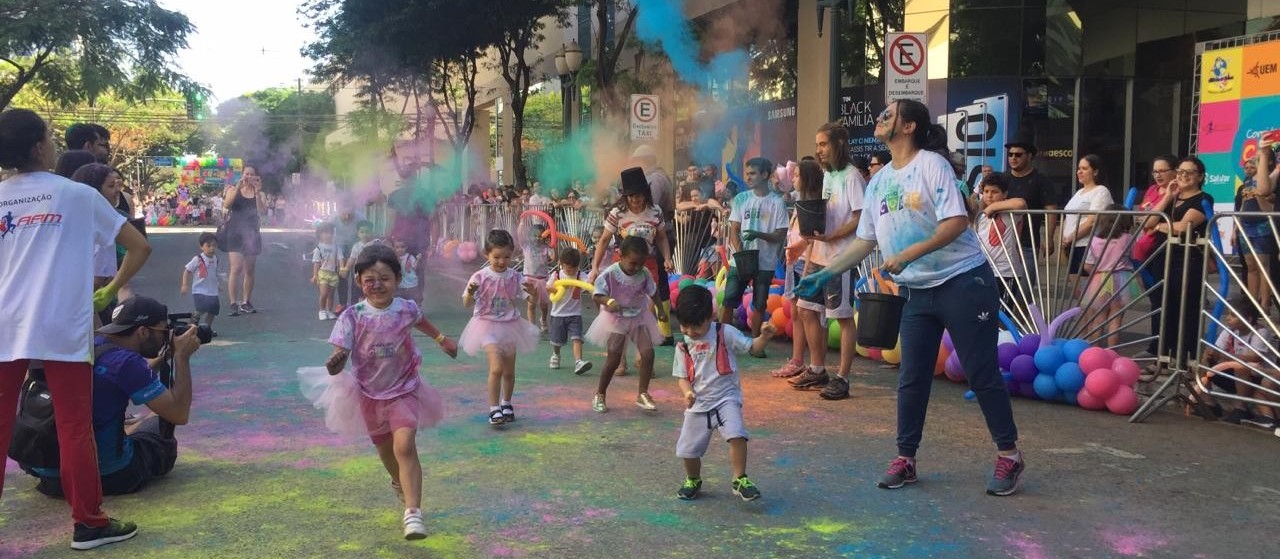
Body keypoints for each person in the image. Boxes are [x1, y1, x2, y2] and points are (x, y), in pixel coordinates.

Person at [797, 99, 1024, 496]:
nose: (879, 117)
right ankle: (906, 458)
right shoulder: (880, 180)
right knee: (912, 376)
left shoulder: (932, 165)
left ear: (909, 126)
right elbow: (866, 240)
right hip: (917, 291)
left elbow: (956, 222)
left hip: (963, 281)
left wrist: (907, 255)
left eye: (889, 114)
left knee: (981, 371)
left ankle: (1009, 453)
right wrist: (827, 273)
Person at [0, 108, 151, 549]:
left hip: (5, 323)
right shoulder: (78, 196)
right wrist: (110, 292)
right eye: (48, 136)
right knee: (74, 426)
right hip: (63, 323)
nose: (52, 143)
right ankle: (89, 523)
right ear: (37, 147)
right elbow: (139, 247)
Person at [301, 244, 456, 540]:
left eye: (385, 278)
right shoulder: (352, 316)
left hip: (405, 388)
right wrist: (335, 364)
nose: (377, 285)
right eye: (369, 279)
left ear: (398, 278)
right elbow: (339, 356)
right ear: (358, 281)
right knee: (386, 451)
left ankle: (413, 514)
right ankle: (399, 483)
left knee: (404, 446)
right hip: (369, 394)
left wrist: (441, 339)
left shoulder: (406, 308)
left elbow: (421, 321)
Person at [24, 296, 199, 496]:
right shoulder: (127, 362)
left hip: (48, 474)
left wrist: (164, 357)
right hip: (109, 476)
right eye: (163, 331)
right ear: (143, 332)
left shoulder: (92, 346)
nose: (165, 337)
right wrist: (181, 357)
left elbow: (123, 376)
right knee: (158, 423)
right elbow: (178, 414)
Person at [671, 285, 776, 502]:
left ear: (710, 317)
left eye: (696, 326)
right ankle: (693, 479)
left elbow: (752, 348)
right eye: (685, 326)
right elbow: (681, 376)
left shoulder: (724, 332)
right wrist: (687, 392)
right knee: (688, 450)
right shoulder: (683, 345)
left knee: (737, 434)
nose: (691, 332)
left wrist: (764, 338)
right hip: (698, 404)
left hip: (726, 398)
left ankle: (740, 479)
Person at [788, 122, 867, 401]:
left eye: (823, 144)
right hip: (819, 256)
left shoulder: (852, 176)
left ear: (839, 144)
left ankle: (842, 378)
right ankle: (817, 369)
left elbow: (860, 218)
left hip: (841, 258)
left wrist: (832, 236)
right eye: (817, 144)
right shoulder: (828, 176)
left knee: (842, 317)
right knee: (805, 309)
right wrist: (803, 244)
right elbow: (822, 218)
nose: (819, 150)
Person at [459, 230, 541, 426]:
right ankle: (494, 408)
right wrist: (469, 293)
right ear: (487, 254)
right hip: (486, 326)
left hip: (510, 326)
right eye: (496, 257)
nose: (502, 261)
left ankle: (507, 403)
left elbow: (531, 300)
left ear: (512, 254)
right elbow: (467, 304)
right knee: (496, 368)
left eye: (506, 257)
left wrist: (534, 293)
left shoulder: (515, 277)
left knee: (509, 372)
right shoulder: (480, 277)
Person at [591, 167, 677, 349]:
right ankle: (620, 355)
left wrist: (667, 258)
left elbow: (661, 237)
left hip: (648, 262)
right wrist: (595, 267)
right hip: (622, 264)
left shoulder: (655, 211)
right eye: (630, 196)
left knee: (648, 300)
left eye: (637, 196)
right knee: (619, 306)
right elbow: (604, 240)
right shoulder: (617, 213)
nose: (634, 200)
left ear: (645, 194)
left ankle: (642, 348)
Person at [1144, 156, 1214, 374]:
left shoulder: (1203, 198)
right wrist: (1167, 196)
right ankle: (1163, 358)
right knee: (1165, 308)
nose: (1184, 176)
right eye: (1181, 171)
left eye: (1189, 172)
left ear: (1200, 177)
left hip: (1187, 260)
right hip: (1164, 258)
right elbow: (1149, 222)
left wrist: (1161, 227)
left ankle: (1185, 359)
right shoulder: (1173, 198)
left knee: (1187, 309)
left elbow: (1184, 227)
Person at [587, 236, 667, 413]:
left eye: (641, 263)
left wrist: (661, 310)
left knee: (648, 353)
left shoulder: (644, 273)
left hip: (637, 317)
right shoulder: (610, 274)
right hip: (616, 319)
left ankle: (643, 393)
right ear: (621, 256)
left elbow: (653, 292)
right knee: (614, 359)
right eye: (633, 263)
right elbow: (597, 295)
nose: (637, 268)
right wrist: (608, 301)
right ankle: (600, 394)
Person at [722, 157, 789, 340]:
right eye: (747, 173)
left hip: (765, 262)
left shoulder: (777, 202)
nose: (748, 177)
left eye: (752, 173)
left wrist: (758, 234)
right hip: (740, 261)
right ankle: (722, 341)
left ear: (765, 175)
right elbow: (734, 229)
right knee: (729, 300)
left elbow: (780, 235)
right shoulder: (741, 198)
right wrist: (740, 253)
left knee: (759, 303)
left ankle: (755, 344)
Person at [773, 159, 823, 379]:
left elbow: (813, 239)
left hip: (806, 262)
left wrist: (808, 265)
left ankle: (816, 364)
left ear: (807, 179)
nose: (792, 178)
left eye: (796, 175)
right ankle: (797, 360)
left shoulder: (813, 205)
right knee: (795, 311)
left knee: (810, 313)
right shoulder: (799, 201)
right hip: (794, 261)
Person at [1197, 297, 1276, 427]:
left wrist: (1224, 356)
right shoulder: (1229, 330)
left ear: (1248, 319)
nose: (1228, 318)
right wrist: (1210, 354)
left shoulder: (1261, 332)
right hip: (1232, 374)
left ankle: (1241, 407)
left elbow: (1255, 357)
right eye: (1228, 314)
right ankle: (1210, 403)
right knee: (1204, 359)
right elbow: (1217, 351)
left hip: (1256, 378)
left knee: (1241, 366)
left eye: (1233, 315)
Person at [1133, 156, 1179, 358]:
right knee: (1155, 300)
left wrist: (1154, 221)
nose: (1158, 175)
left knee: (1165, 300)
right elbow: (1144, 220)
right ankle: (1156, 344)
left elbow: (1151, 221)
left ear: (1174, 171)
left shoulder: (1176, 192)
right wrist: (1150, 222)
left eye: (1162, 171)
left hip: (1164, 250)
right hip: (1144, 252)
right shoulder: (1152, 190)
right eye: (1155, 171)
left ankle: (1165, 346)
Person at [1000, 140, 1065, 279]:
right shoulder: (1002, 179)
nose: (1013, 158)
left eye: (1018, 155)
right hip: (1002, 243)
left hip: (1027, 243)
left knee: (1025, 287)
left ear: (1029, 156)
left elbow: (1051, 209)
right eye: (1010, 154)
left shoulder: (1041, 181)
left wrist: (1049, 238)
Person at [1081, 207, 1139, 348]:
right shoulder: (1128, 238)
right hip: (1122, 279)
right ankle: (1112, 351)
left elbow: (1087, 266)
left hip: (1099, 279)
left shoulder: (1095, 240)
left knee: (1098, 319)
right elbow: (1135, 256)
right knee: (1115, 320)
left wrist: (1098, 272)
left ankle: (1094, 350)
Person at [1060, 155, 1115, 292]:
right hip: (1072, 246)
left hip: (1087, 245)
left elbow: (1092, 221)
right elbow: (1068, 216)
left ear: (1095, 171)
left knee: (1089, 293)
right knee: (1077, 292)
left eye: (1084, 168)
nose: (1079, 171)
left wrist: (1070, 238)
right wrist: (1064, 239)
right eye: (1079, 168)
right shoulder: (1079, 192)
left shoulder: (1101, 191)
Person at [974, 173, 1026, 304]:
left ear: (1005, 194)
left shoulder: (1010, 213)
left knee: (1004, 312)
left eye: (994, 192)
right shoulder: (981, 216)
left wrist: (992, 207)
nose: (989, 195)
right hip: (985, 270)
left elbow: (1021, 203)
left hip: (1006, 271)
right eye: (986, 191)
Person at [1237, 145, 1276, 318]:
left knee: (1263, 266)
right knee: (1251, 266)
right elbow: (1243, 204)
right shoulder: (1247, 181)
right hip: (1246, 225)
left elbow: (1268, 198)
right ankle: (1252, 303)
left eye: (1259, 160)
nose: (1254, 163)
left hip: (1262, 225)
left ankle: (1265, 304)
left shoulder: (1270, 178)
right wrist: (1237, 227)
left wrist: (1259, 194)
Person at [223, 165, 266, 316]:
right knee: (235, 269)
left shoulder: (260, 193)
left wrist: (258, 193)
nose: (248, 177)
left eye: (251, 174)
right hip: (235, 232)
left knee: (249, 270)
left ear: (256, 177)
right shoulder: (233, 189)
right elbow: (227, 205)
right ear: (242, 175)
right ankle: (233, 303)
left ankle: (246, 302)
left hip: (251, 233)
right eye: (246, 174)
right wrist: (237, 188)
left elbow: (262, 212)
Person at [546, 248, 593, 375]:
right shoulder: (557, 275)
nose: (571, 271)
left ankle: (578, 361)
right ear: (562, 264)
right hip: (558, 314)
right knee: (557, 340)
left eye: (574, 268)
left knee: (577, 338)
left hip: (575, 313)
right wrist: (558, 288)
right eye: (568, 269)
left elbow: (588, 284)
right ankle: (556, 354)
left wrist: (591, 282)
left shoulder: (580, 275)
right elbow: (548, 287)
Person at [180, 233, 222, 335]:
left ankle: (207, 329)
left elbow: (214, 273)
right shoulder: (198, 259)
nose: (212, 248)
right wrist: (185, 284)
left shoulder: (215, 259)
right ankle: (191, 329)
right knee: (201, 309)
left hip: (213, 291)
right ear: (201, 246)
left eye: (214, 245)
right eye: (208, 245)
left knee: (213, 311)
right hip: (200, 290)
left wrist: (217, 284)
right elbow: (187, 271)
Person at [521, 222, 555, 332]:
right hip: (530, 279)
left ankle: (543, 320)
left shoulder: (546, 248)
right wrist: (522, 223)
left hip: (542, 279)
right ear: (530, 236)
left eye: (540, 236)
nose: (537, 238)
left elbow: (553, 258)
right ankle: (532, 325)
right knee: (531, 304)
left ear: (545, 236)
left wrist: (552, 246)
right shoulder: (526, 246)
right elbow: (519, 235)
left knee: (544, 305)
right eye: (534, 235)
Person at [311, 222, 345, 321]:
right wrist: (315, 275)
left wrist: (342, 268)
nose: (329, 235)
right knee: (324, 293)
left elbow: (341, 258)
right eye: (325, 233)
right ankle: (322, 310)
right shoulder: (319, 248)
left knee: (331, 295)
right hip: (323, 273)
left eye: (331, 233)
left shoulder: (336, 247)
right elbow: (316, 263)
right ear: (320, 234)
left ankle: (329, 310)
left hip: (333, 274)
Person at [392, 238, 420, 306]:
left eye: (402, 247)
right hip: (399, 285)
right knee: (400, 302)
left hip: (411, 284)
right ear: (394, 248)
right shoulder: (394, 258)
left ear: (406, 247)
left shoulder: (410, 257)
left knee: (411, 301)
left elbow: (415, 267)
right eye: (397, 247)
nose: (400, 249)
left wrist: (418, 259)